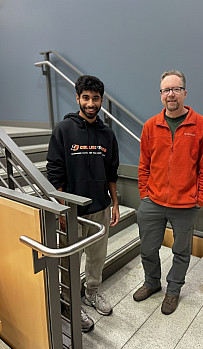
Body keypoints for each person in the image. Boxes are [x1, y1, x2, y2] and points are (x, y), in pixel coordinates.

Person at [133, 70, 203, 315]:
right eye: (166, 90)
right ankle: (151, 283)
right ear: (161, 95)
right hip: (153, 201)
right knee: (147, 248)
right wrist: (144, 194)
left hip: (186, 205)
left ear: (184, 93)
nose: (170, 94)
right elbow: (144, 164)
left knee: (181, 251)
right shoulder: (150, 125)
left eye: (175, 89)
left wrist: (198, 199)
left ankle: (173, 290)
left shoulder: (201, 126)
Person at [46, 75, 119, 332]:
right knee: (70, 260)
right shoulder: (63, 130)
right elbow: (54, 172)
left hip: (100, 207)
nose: (91, 103)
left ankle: (92, 292)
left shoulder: (107, 134)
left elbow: (112, 172)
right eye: (85, 97)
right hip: (73, 211)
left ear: (100, 101)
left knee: (97, 258)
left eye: (95, 98)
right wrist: (61, 207)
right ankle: (69, 302)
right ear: (77, 98)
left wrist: (115, 204)